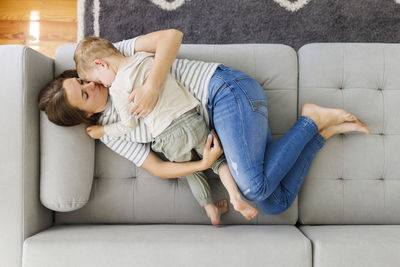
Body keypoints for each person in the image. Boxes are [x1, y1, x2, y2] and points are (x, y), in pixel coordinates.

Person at [39, 29, 370, 218]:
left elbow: (171, 35)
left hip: (223, 91)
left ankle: (310, 120)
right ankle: (319, 131)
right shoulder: (111, 130)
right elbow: (157, 167)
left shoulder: (118, 60)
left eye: (82, 82)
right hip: (214, 134)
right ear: (85, 115)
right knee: (274, 202)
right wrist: (204, 162)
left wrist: (153, 85)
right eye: (84, 94)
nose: (92, 86)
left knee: (254, 187)